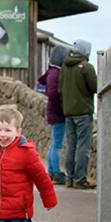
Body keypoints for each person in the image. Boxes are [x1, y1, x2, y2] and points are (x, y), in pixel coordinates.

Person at [59, 39, 98, 189]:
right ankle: (80, 178)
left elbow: (60, 89)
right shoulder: (87, 67)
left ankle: (69, 178)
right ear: (86, 51)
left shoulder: (65, 67)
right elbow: (95, 87)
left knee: (71, 145)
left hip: (68, 112)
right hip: (83, 111)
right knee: (83, 146)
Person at [36, 44, 71, 184]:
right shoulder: (56, 73)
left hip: (53, 112)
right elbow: (53, 93)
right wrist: (61, 107)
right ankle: (55, 171)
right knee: (57, 144)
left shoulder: (51, 72)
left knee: (54, 143)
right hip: (57, 113)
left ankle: (52, 170)